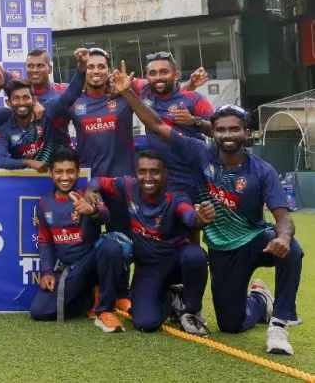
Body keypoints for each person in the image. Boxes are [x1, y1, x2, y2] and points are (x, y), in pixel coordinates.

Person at [113, 68, 303, 355]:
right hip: (222, 250)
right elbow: (156, 125)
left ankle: (279, 323)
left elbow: (283, 218)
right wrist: (128, 92)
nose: (227, 135)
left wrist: (284, 237)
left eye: (234, 129)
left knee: (293, 249)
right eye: (221, 129)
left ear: (246, 132)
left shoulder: (262, 171)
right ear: (213, 132)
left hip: (255, 241)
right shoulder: (199, 152)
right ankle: (261, 300)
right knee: (231, 324)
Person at [86, 150, 213, 336]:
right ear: (135, 172)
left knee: (196, 255)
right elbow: (99, 181)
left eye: (154, 172)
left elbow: (188, 214)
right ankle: (172, 298)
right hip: (148, 268)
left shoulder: (176, 196)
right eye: (142, 171)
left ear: (165, 174)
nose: (148, 178)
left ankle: (191, 312)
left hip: (176, 263)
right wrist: (90, 190)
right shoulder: (128, 186)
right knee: (145, 323)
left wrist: (199, 218)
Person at [29, 148, 125, 332]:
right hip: (70, 270)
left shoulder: (87, 194)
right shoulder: (44, 202)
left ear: (78, 172)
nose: (65, 177)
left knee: (111, 247)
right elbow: (45, 240)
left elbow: (106, 216)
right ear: (50, 173)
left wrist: (93, 210)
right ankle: (90, 300)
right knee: (39, 312)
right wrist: (47, 271)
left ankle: (105, 310)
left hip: (92, 262)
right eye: (59, 171)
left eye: (70, 171)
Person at [0, 51, 86, 171]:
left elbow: (71, 94)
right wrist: (28, 163)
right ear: (8, 103)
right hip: (22, 178)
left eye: (26, 97)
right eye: (16, 98)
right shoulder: (4, 130)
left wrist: (82, 67)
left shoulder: (47, 111)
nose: (21, 102)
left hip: (55, 173)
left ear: (34, 100)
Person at [140, 52, 213, 197]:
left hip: (191, 175)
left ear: (176, 75)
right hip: (160, 178)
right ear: (146, 77)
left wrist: (194, 121)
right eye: (153, 73)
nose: (158, 77)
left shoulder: (194, 98)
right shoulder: (143, 91)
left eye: (164, 72)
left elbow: (216, 130)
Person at [24, 49, 71, 148]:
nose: (34, 70)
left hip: (61, 154)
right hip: (31, 154)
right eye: (30, 66)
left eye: (40, 65)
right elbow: (0, 79)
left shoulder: (64, 91)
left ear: (50, 69)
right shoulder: (19, 95)